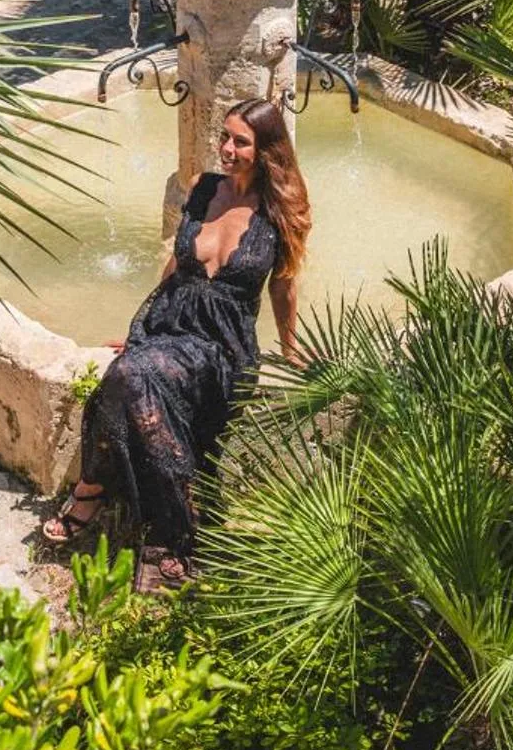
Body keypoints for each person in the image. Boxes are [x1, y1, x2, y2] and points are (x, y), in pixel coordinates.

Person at [41, 97, 311, 587]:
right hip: (169, 322)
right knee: (127, 370)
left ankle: (96, 493)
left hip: (219, 345)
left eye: (240, 142)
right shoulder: (204, 188)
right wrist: (137, 328)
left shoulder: (279, 211)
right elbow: (176, 265)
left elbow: (283, 283)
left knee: (128, 377)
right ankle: (157, 516)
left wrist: (290, 347)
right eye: (224, 137)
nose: (226, 149)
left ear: (267, 149)